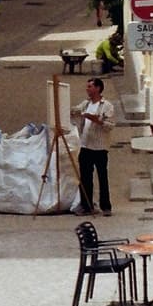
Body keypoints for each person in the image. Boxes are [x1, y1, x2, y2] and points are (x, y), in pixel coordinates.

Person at [69, 77, 115, 216]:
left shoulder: (106, 106)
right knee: (85, 177)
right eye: (87, 86)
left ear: (98, 88)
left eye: (90, 86)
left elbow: (110, 125)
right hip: (85, 145)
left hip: (100, 147)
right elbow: (75, 111)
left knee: (102, 176)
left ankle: (105, 206)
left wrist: (98, 120)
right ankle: (87, 205)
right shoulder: (85, 104)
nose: (87, 89)